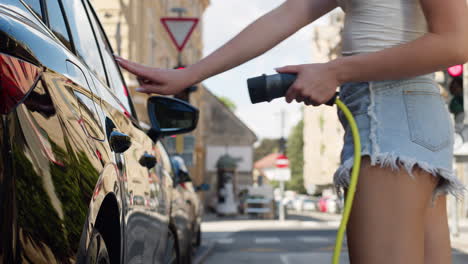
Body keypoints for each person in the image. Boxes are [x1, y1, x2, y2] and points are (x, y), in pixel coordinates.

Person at [115, 1, 468, 263]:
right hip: (400, 118)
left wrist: (336, 71)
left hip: (390, 115)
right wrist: (190, 74)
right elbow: (286, 15)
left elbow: (456, 42)